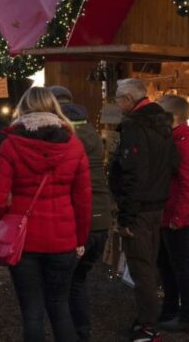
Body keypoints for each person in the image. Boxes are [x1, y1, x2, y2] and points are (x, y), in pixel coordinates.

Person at [0, 86, 92, 342]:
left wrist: (2, 222)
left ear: (23, 108)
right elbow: (83, 199)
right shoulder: (74, 145)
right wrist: (80, 239)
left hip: (24, 242)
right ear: (54, 107)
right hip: (63, 240)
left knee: (32, 311)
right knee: (60, 306)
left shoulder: (12, 145)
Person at [109, 79, 177, 342]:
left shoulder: (135, 126)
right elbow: (172, 163)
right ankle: (149, 318)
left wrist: (126, 214)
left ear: (128, 99)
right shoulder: (163, 123)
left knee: (142, 268)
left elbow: (133, 173)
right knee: (149, 263)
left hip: (139, 208)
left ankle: (148, 326)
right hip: (157, 204)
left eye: (117, 98)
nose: (116, 103)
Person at [50, 85, 112, 342]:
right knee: (78, 282)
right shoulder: (93, 134)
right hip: (102, 219)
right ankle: (82, 333)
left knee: (60, 288)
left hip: (78, 219)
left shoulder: (63, 137)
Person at [157, 95, 189, 333]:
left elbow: (187, 184)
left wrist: (179, 217)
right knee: (168, 266)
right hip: (168, 215)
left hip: (177, 218)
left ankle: (185, 316)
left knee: (181, 267)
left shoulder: (183, 144)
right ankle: (170, 309)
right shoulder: (173, 141)